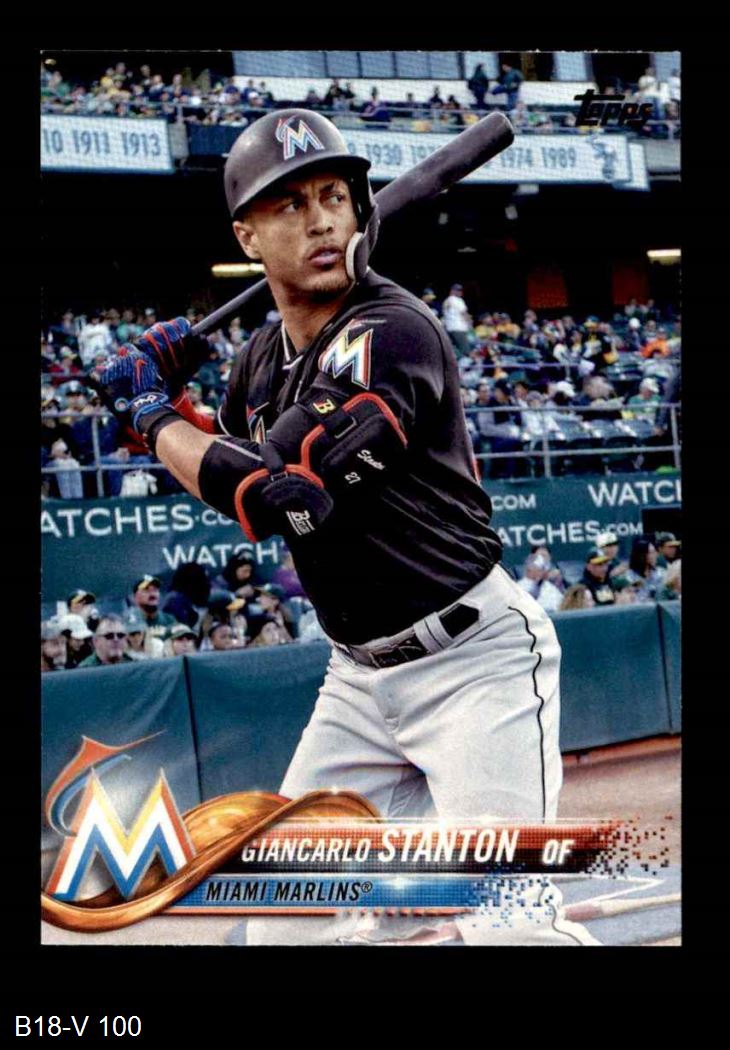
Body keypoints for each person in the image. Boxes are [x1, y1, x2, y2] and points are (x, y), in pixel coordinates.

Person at [93, 108, 597, 946]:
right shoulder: (258, 362)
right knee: (283, 928)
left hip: (474, 665)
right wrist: (174, 406)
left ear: (360, 210)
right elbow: (224, 472)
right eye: (290, 204)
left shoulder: (392, 331)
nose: (322, 219)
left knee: (509, 927)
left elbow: (280, 492)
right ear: (247, 237)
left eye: (334, 196)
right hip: (358, 684)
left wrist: (149, 412)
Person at [129, 575, 177, 640]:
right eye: (146, 590)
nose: (152, 594)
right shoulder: (129, 622)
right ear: (135, 597)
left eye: (155, 590)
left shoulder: (169, 620)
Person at [441, 283, 472, 358]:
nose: (460, 292)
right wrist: (470, 324)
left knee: (455, 350)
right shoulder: (457, 300)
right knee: (466, 352)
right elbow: (464, 314)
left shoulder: (447, 300)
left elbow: (444, 314)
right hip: (458, 328)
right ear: (452, 291)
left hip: (449, 328)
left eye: (461, 290)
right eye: (458, 290)